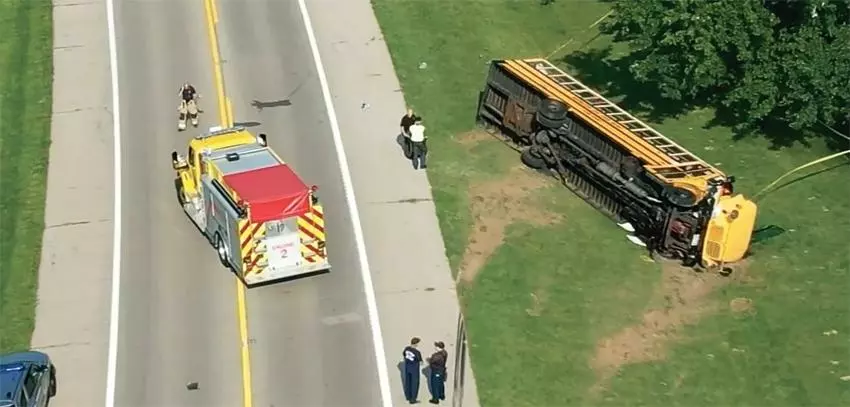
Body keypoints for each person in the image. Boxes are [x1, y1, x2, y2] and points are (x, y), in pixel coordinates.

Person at [402, 337, 423, 404]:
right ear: (416, 344)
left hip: (407, 368)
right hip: (414, 370)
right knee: (414, 384)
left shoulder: (406, 348)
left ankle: (408, 396)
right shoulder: (417, 352)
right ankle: (413, 399)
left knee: (408, 382)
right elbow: (421, 362)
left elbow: (404, 354)